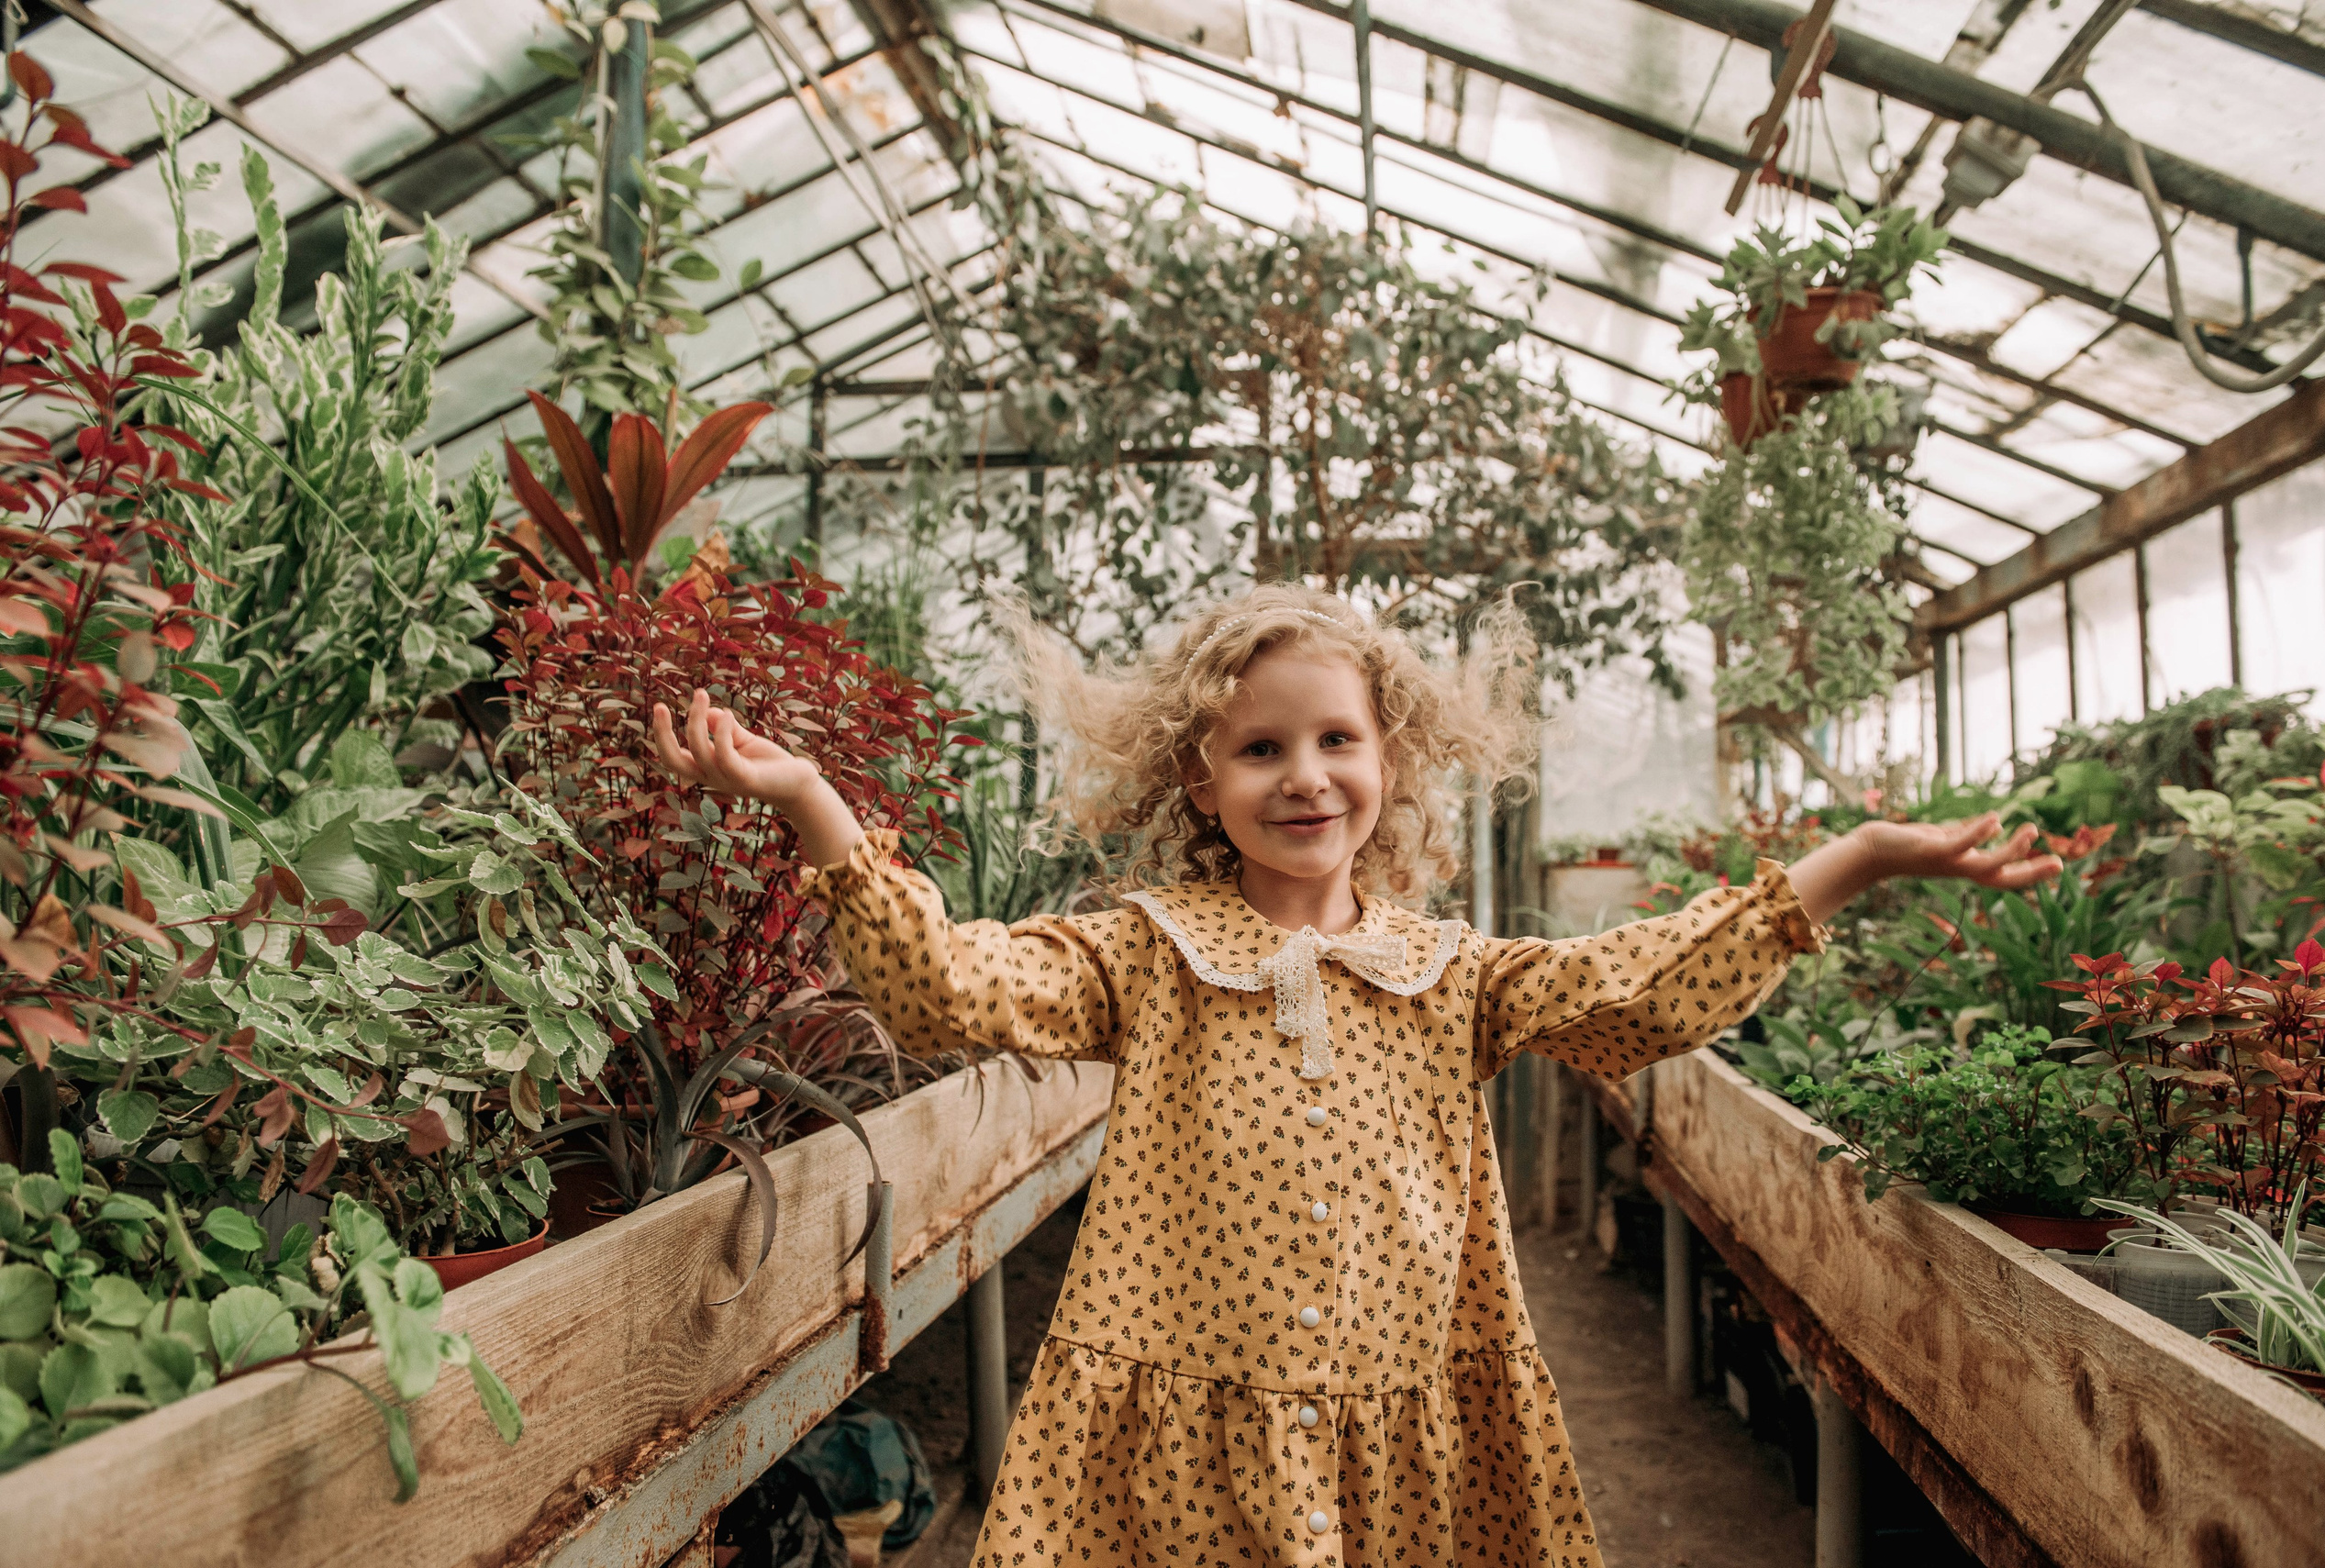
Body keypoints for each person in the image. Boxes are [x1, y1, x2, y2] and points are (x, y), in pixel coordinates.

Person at [651, 584, 2059, 1568]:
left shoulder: (1454, 972)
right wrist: (810, 804)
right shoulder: (1144, 954)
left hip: (1402, 1422)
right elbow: (941, 981)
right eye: (1260, 748)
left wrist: (1854, 859)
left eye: (1338, 740)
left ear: (1396, 761)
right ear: (1200, 781)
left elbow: (1642, 988)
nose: (1305, 775)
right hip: (1188, 1432)